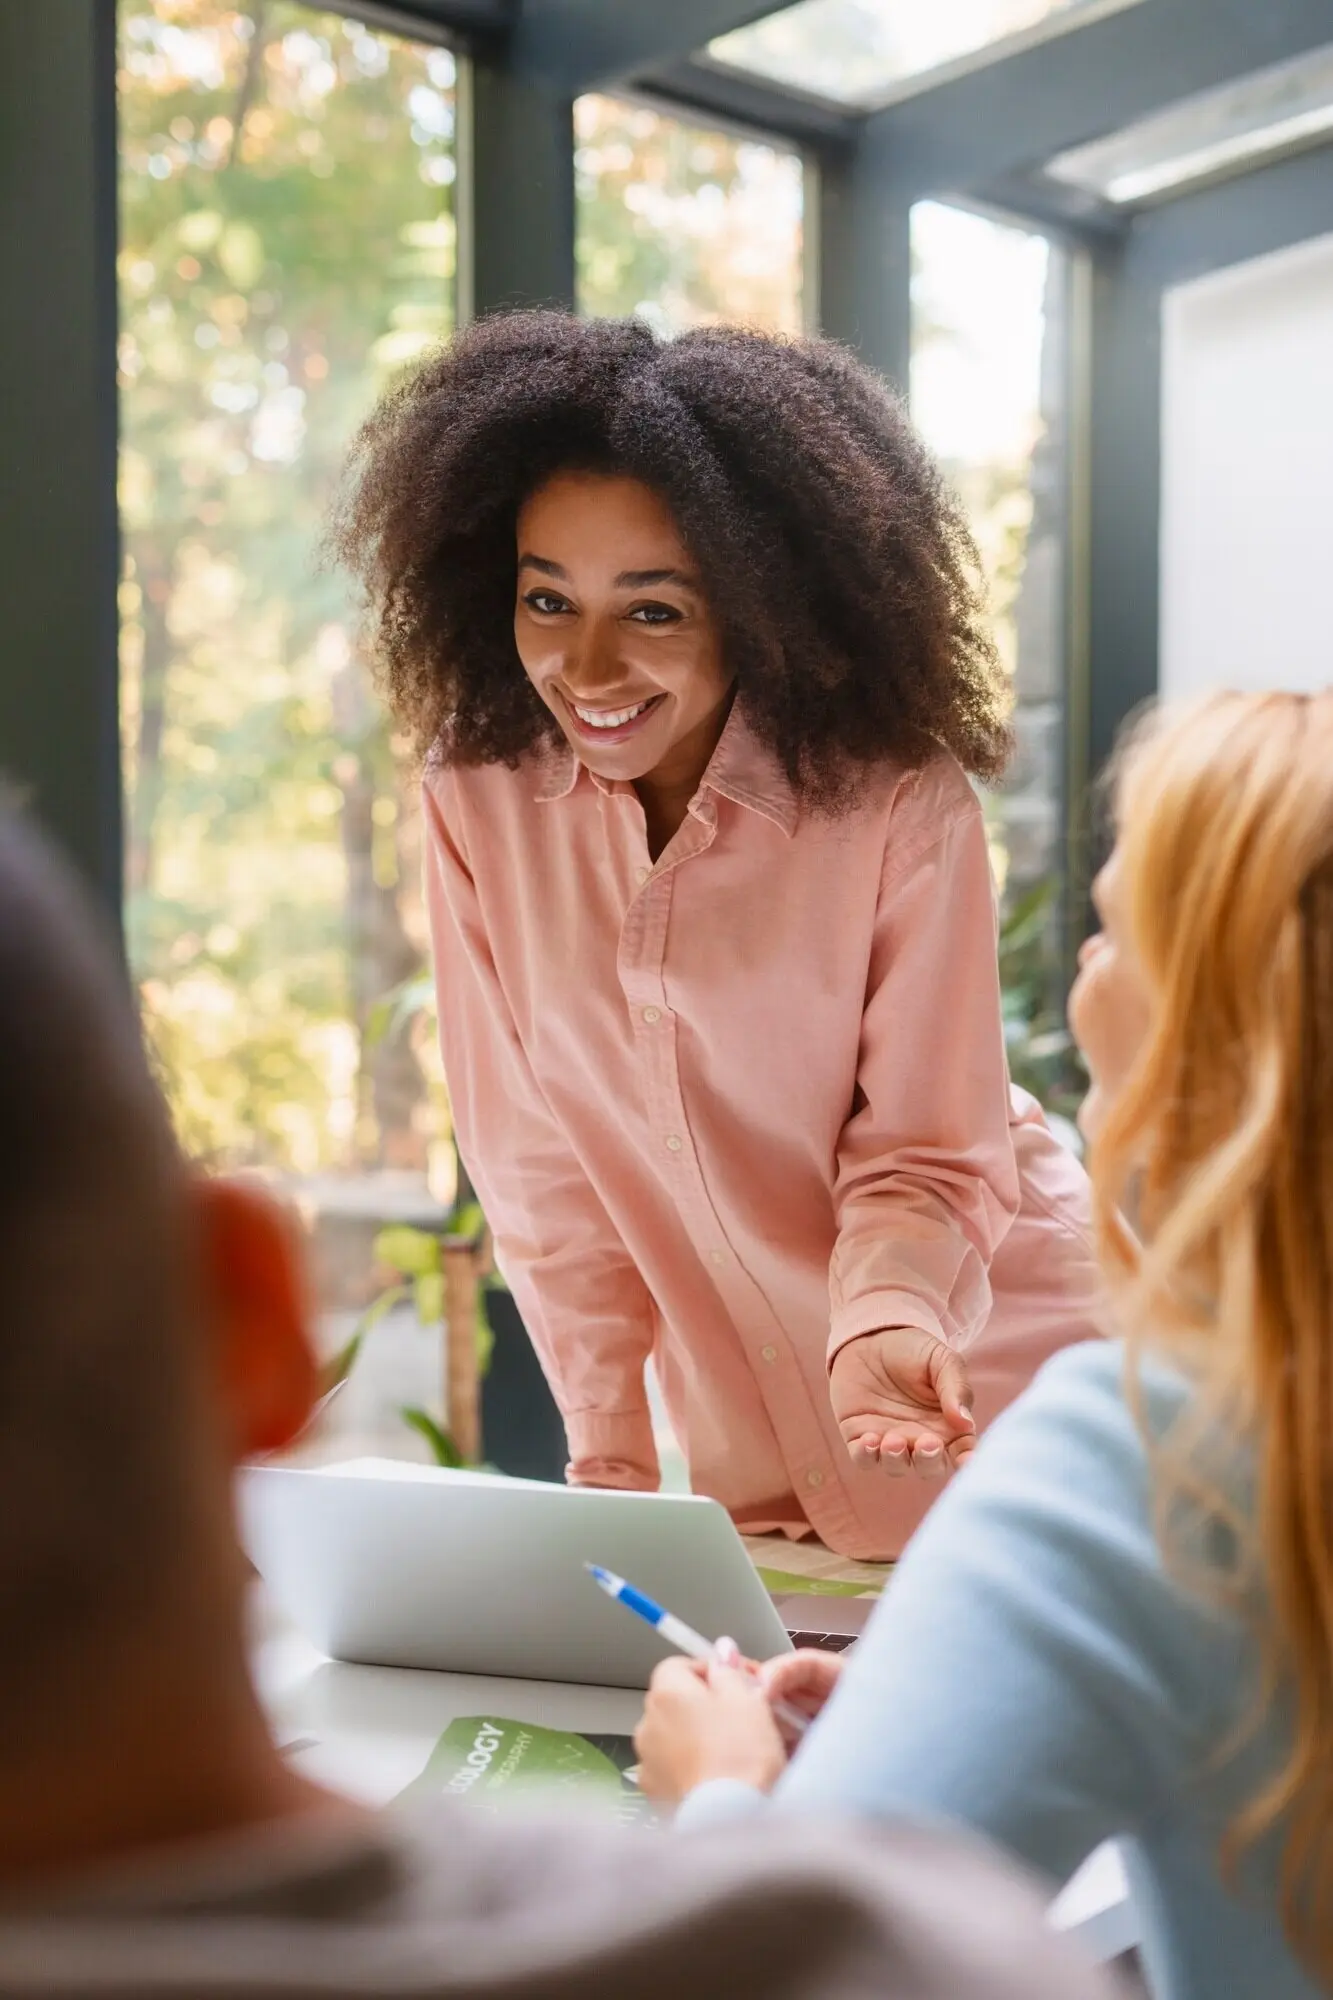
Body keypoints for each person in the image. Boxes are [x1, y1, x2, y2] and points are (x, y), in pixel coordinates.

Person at [0, 803, 1120, 2000]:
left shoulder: (892, 811)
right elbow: (542, 1183)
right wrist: (732, 1810)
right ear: (258, 1319)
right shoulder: (899, 1952)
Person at [332, 310, 1100, 1561]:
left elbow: (926, 1144)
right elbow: (537, 1164)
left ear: (760, 605)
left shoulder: (895, 799)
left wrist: (887, 1318)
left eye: (654, 611)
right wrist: (611, 1458)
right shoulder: (476, 796)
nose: (584, 665)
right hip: (748, 1430)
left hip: (983, 1367)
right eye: (546, 598)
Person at [633, 689, 1333, 2000]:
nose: (1080, 978)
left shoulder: (1148, 1458)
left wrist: (721, 1798)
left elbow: (800, 1974)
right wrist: (959, 1706)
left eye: (1115, 932)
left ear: (1225, 1031)